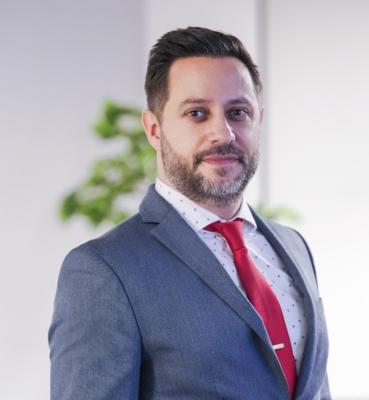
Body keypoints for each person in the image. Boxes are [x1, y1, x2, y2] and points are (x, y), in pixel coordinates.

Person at [49, 26, 330, 399]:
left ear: (258, 120)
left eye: (238, 112)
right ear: (154, 129)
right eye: (197, 113)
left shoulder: (294, 246)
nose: (223, 134)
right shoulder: (103, 270)